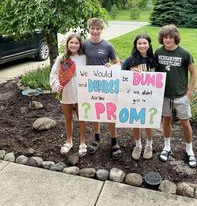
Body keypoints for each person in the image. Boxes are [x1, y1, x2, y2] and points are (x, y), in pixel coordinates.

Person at [154, 24, 197, 168]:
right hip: (165, 95)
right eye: (165, 37)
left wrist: (189, 93)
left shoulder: (184, 54)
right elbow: (153, 72)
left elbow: (194, 73)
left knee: (185, 122)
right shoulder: (158, 52)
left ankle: (189, 149)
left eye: (170, 37)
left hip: (180, 96)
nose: (167, 40)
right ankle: (167, 146)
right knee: (166, 120)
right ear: (162, 38)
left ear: (175, 38)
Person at [83, 18, 122, 161]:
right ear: (89, 29)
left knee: (110, 112)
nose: (95, 31)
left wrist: (111, 67)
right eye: (92, 28)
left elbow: (117, 63)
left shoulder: (107, 46)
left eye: (98, 29)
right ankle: (97, 138)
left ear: (101, 30)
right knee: (95, 112)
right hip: (91, 84)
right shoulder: (85, 45)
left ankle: (114, 141)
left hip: (106, 85)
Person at [50, 34, 87, 157]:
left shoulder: (84, 57)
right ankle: (69, 141)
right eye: (71, 42)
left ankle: (82, 142)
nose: (73, 45)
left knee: (82, 117)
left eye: (76, 43)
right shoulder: (62, 58)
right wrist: (56, 85)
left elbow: (94, 71)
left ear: (80, 44)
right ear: (67, 44)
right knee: (68, 118)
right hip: (66, 90)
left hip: (81, 90)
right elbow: (54, 73)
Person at [122, 34, 157, 160]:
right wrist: (130, 74)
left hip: (149, 97)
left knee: (148, 122)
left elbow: (159, 78)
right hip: (134, 96)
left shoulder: (153, 60)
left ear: (149, 44)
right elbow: (122, 77)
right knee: (136, 122)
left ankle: (149, 145)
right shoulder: (130, 60)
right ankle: (138, 145)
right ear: (136, 45)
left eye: (145, 43)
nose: (142, 46)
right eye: (139, 43)